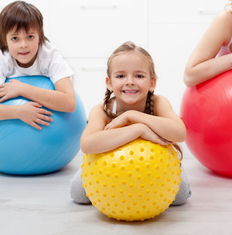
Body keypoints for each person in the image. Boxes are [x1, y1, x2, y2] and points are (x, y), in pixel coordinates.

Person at [70, 41, 191, 205]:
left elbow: (180, 133)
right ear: (109, 83)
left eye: (139, 76)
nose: (130, 81)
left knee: (180, 195)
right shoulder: (102, 110)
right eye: (120, 76)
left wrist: (131, 115)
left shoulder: (159, 102)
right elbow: (87, 144)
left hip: (155, 167)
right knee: (78, 193)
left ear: (152, 83)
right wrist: (138, 129)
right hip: (110, 168)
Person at [0, 0, 76, 130]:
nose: (23, 45)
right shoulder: (1, 58)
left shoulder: (50, 55)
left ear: (40, 36)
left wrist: (22, 89)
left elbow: (69, 102)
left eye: (30, 37)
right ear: (5, 40)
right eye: (15, 38)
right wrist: (18, 112)